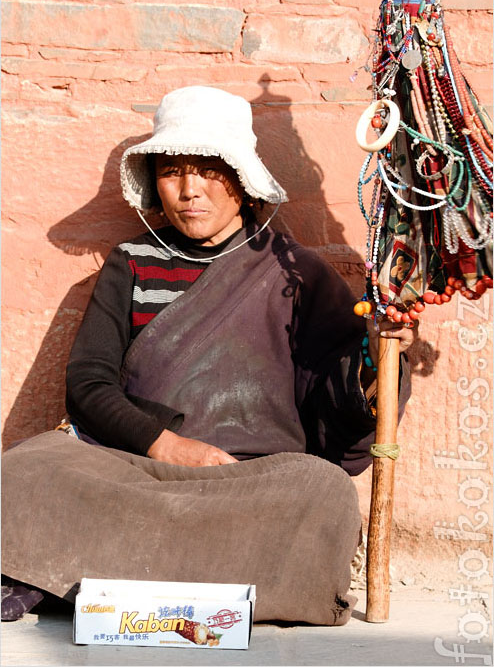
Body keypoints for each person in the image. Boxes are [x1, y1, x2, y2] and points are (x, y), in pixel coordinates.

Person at [2, 86, 413, 626]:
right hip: (136, 468)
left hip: (247, 484)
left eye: (208, 170)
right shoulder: (132, 262)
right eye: (172, 171)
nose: (189, 190)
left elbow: (339, 409)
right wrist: (167, 446)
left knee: (324, 495)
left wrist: (376, 359)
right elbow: (87, 383)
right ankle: (221, 586)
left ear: (242, 183)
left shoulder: (297, 273)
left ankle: (69, 578)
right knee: (25, 471)